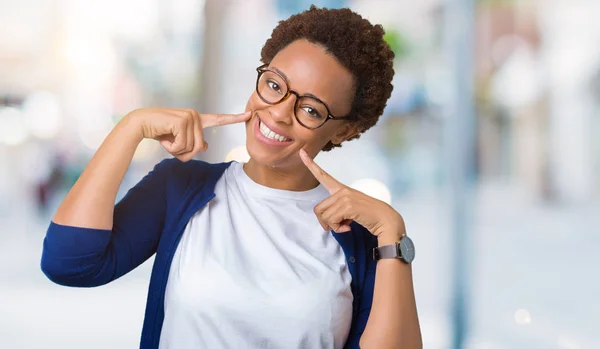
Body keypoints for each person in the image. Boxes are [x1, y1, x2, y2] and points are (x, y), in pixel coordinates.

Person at [41, 6, 422, 349]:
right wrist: (131, 126)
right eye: (274, 86)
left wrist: (392, 233)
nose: (277, 113)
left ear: (344, 131)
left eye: (309, 108)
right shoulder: (181, 186)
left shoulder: (361, 234)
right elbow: (70, 263)